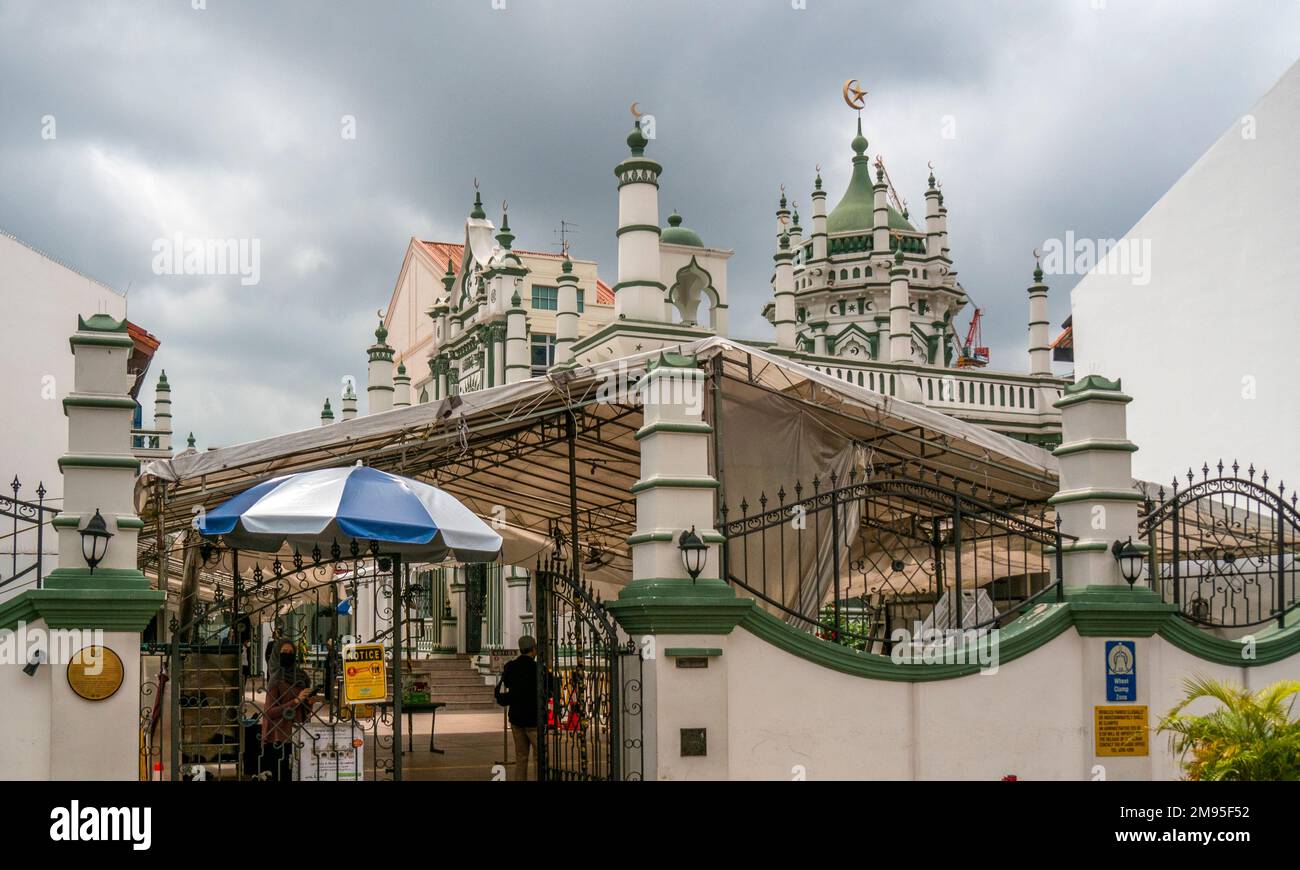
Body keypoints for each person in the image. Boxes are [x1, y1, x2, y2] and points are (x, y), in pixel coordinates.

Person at [261, 639, 317, 781]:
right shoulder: (276, 679)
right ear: (277, 654)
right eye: (284, 652)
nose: (288, 655)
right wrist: (295, 701)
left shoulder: (302, 676)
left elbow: (304, 710)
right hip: (279, 736)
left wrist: (308, 702)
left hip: (298, 734)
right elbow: (269, 712)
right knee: (282, 774)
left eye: (291, 652)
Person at [499, 635, 540, 781]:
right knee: (539, 757)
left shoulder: (510, 666)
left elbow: (508, 684)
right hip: (534, 719)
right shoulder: (537, 668)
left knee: (521, 757)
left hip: (516, 718)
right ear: (533, 649)